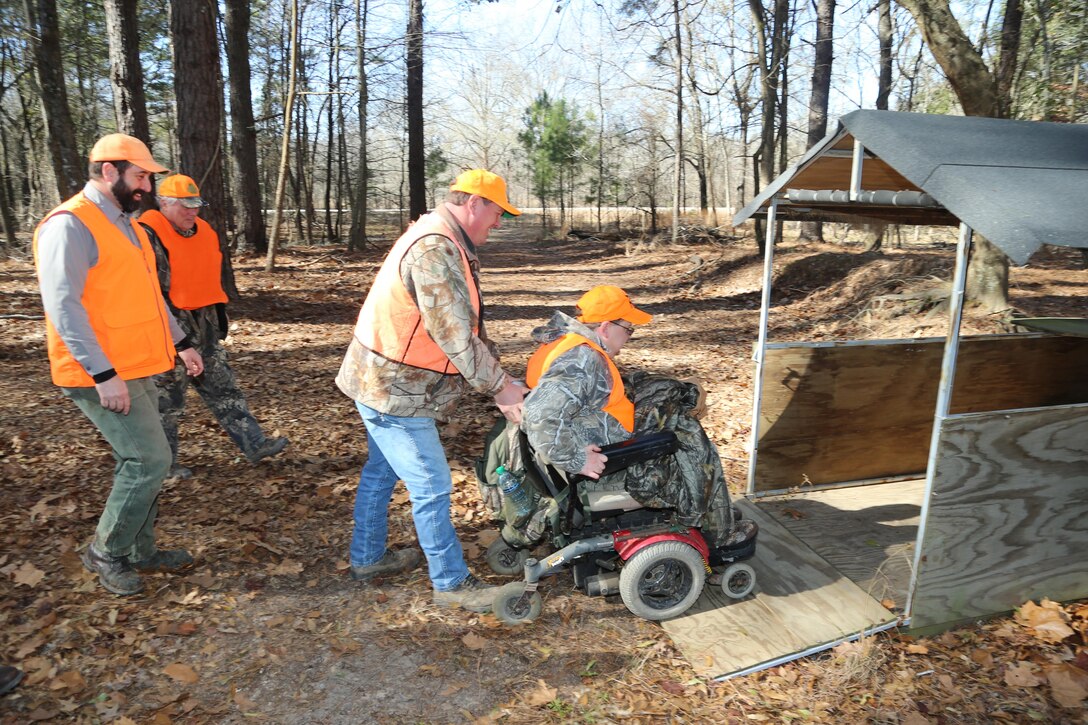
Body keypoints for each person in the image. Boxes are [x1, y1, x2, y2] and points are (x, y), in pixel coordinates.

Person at [336, 169, 527, 613]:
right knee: (433, 485)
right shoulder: (434, 248)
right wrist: (500, 387)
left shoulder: (445, 238)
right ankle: (451, 583)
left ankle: (367, 559)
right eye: (497, 212)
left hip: (382, 381)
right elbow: (455, 336)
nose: (497, 223)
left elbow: (466, 325)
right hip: (393, 390)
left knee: (382, 472)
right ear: (474, 203)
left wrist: (502, 375)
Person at [33, 134, 204, 596]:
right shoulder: (70, 224)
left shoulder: (126, 223)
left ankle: (139, 551)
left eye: (148, 176)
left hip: (136, 364)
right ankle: (106, 551)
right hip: (98, 371)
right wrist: (103, 374)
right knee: (149, 459)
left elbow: (151, 295)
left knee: (147, 459)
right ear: (109, 171)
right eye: (141, 175)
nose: (147, 186)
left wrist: (182, 341)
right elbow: (63, 306)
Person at [520, 285, 755, 549]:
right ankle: (718, 533)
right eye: (628, 329)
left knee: (664, 391)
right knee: (689, 435)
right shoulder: (581, 360)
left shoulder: (564, 342)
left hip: (593, 433)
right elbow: (540, 413)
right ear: (606, 328)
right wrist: (575, 458)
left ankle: (714, 512)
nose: (629, 337)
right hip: (612, 459)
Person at [139, 174, 288, 477]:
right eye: (184, 206)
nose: (192, 212)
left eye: (196, 205)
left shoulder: (204, 231)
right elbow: (150, 292)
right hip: (169, 328)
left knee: (224, 387)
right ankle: (163, 466)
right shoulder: (147, 233)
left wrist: (216, 323)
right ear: (164, 203)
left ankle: (254, 443)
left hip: (204, 325)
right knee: (167, 400)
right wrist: (176, 338)